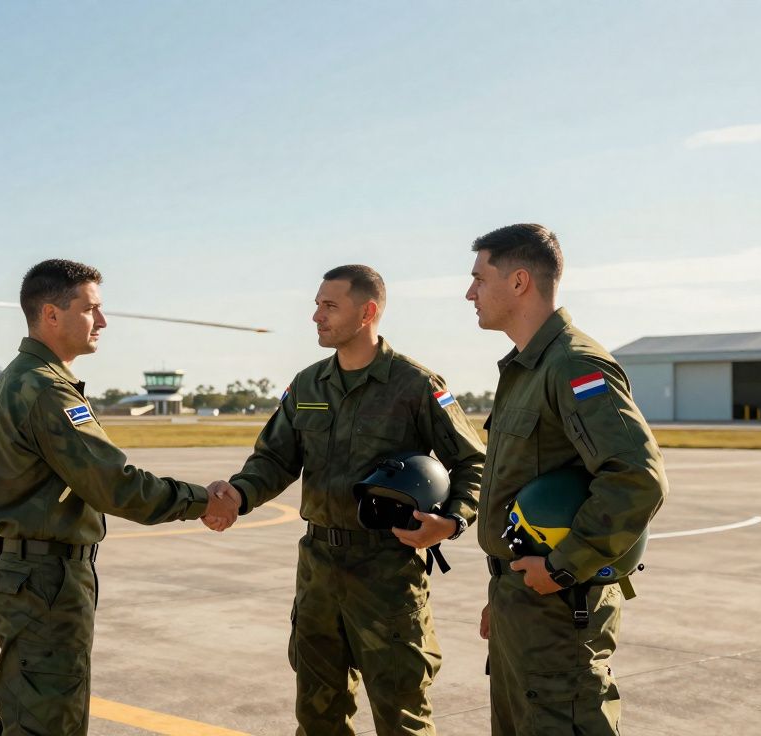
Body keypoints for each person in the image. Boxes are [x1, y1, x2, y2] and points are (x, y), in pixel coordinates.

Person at [206, 265, 486, 735]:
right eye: (317, 304)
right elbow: (273, 460)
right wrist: (238, 493)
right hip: (318, 571)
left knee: (402, 717)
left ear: (367, 311)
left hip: (387, 573)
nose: (316, 315)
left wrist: (452, 522)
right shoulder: (308, 385)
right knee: (318, 718)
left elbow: (474, 462)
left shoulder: (415, 384)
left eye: (329, 305)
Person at [0, 258, 241, 736]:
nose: (102, 321)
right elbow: (115, 485)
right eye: (90, 309)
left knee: (31, 714)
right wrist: (204, 500)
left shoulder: (21, 378)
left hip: (30, 576)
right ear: (51, 315)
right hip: (45, 580)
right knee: (48, 723)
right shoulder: (45, 391)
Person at [465, 224, 666, 735]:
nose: (470, 293)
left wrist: (560, 567)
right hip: (523, 603)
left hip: (559, 609)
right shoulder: (526, 369)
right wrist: (504, 593)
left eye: (479, 279)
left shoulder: (573, 364)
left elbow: (636, 477)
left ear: (519, 282)